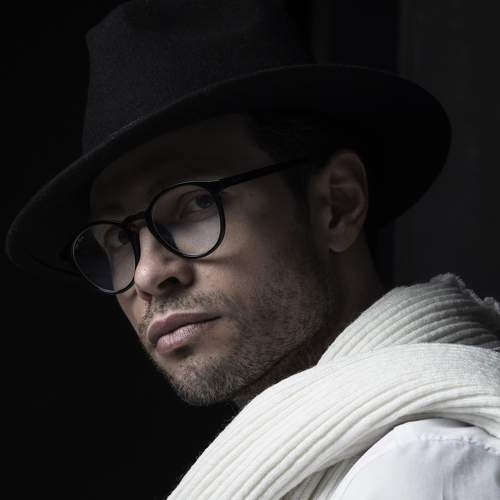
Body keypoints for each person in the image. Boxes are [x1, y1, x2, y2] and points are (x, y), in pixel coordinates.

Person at [5, 1, 500, 498]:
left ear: (337, 205)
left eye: (196, 203)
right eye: (118, 239)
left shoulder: (421, 469)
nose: (148, 274)